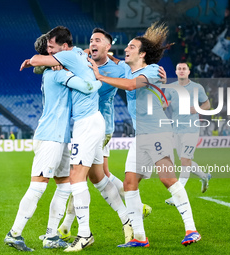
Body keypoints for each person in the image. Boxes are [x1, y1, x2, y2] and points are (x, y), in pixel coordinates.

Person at [88, 22, 201, 247]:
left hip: (158, 133)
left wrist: (99, 76)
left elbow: (131, 85)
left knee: (167, 178)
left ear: (142, 54)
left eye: (131, 46)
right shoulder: (133, 69)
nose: (126, 49)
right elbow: (121, 65)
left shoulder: (150, 71)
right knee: (130, 183)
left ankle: (191, 229)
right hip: (141, 136)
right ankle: (140, 238)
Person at [20, 26, 132, 252]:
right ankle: (128, 221)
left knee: (76, 178)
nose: (51, 54)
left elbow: (36, 59)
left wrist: (36, 62)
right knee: (99, 178)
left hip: (88, 123)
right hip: (92, 122)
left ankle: (84, 234)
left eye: (53, 48)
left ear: (63, 47)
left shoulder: (68, 57)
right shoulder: (79, 54)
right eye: (91, 39)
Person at [4, 34, 102, 251]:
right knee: (37, 187)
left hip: (60, 137)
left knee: (64, 186)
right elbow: (87, 87)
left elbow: (75, 54)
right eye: (51, 50)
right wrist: (97, 79)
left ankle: (51, 236)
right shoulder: (57, 75)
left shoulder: (55, 71)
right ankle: (14, 233)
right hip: (50, 137)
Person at [57, 28, 155, 241]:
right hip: (86, 124)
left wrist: (154, 71)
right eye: (91, 40)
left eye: (98, 40)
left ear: (108, 46)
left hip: (100, 126)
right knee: (97, 175)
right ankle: (132, 213)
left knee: (83, 174)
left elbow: (136, 76)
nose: (92, 44)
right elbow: (79, 53)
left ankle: (70, 226)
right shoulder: (85, 59)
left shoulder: (119, 68)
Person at [163, 63, 212, 197]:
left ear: (188, 72)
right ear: (176, 72)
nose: (182, 71)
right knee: (186, 161)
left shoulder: (197, 87)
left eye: (184, 68)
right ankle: (204, 176)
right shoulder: (171, 88)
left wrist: (197, 109)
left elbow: (207, 104)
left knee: (185, 160)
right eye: (179, 69)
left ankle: (177, 195)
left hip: (191, 129)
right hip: (177, 130)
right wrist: (162, 105)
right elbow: (163, 105)